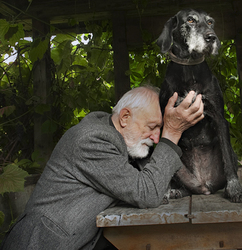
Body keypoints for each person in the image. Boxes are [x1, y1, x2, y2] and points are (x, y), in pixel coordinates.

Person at [0, 86, 204, 250]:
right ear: (125, 117)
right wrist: (173, 132)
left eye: (160, 130)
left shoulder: (115, 137)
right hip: (41, 243)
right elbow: (147, 192)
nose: (156, 138)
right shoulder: (92, 140)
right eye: (152, 127)